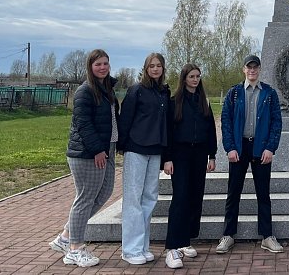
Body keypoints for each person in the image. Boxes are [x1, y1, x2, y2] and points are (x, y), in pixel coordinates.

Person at [48, 49, 118, 268]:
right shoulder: (85, 91)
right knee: (85, 197)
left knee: (104, 192)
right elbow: (83, 123)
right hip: (88, 153)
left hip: (108, 149)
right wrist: (97, 149)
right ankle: (75, 249)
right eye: (98, 64)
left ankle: (66, 236)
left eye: (106, 63)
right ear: (90, 66)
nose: (103, 67)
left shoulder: (106, 89)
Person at [216, 54, 283, 254]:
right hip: (239, 148)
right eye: (249, 67)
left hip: (261, 149)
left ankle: (267, 236)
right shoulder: (234, 93)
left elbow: (276, 123)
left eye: (255, 67)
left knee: (263, 194)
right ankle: (228, 235)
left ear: (260, 69)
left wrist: (271, 147)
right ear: (244, 69)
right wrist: (230, 148)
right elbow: (226, 122)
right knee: (233, 193)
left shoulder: (269, 94)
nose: (252, 70)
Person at [162, 63, 217, 269]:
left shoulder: (204, 101)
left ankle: (185, 241)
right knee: (180, 197)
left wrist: (212, 155)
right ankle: (172, 246)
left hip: (200, 154)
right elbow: (168, 132)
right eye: (192, 76)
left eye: (198, 76)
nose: (195, 79)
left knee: (195, 196)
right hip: (180, 154)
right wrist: (167, 158)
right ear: (184, 78)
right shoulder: (174, 101)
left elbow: (210, 129)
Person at [117, 52, 170, 265]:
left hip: (155, 151)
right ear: (146, 68)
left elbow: (165, 125)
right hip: (136, 149)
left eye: (158, 65)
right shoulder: (136, 91)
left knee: (149, 199)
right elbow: (125, 120)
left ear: (163, 68)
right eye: (151, 66)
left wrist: (166, 154)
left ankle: (142, 246)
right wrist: (123, 147)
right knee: (133, 200)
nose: (155, 69)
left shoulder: (163, 93)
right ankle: (130, 250)